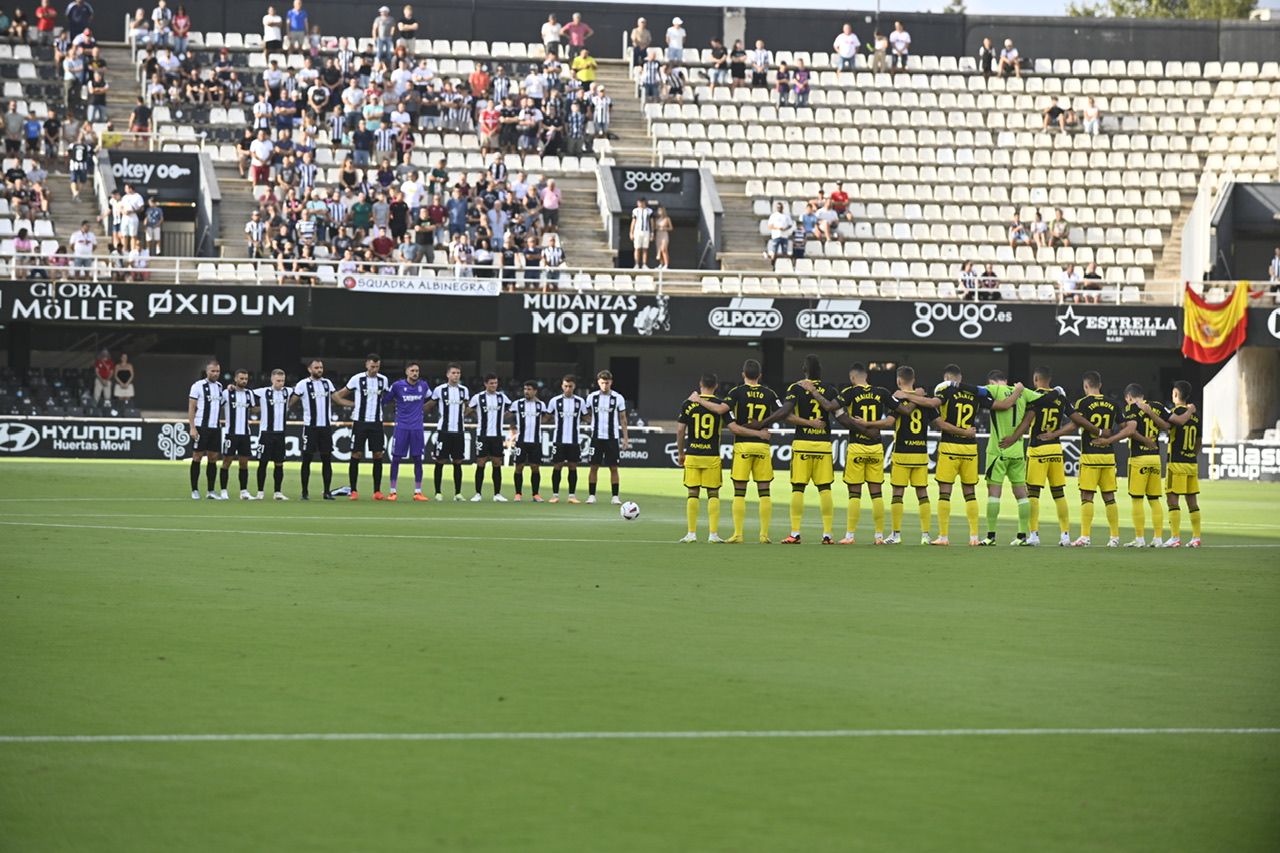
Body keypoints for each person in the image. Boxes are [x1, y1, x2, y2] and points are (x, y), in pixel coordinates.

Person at [894, 366, 997, 547]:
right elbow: (996, 403)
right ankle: (974, 537)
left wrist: (908, 395)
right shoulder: (974, 393)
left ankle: (943, 536)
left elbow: (934, 408)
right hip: (970, 449)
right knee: (970, 493)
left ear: (946, 377)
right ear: (961, 377)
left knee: (944, 493)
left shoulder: (944, 389)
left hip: (950, 446)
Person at [748, 355, 837, 545]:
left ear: (804, 370)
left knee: (798, 488)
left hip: (802, 443)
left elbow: (784, 413)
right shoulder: (829, 389)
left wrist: (762, 423)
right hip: (823, 444)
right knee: (825, 489)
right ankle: (828, 534)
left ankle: (795, 533)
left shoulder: (796, 388)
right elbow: (837, 412)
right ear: (820, 370)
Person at [712, 360, 779, 544]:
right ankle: (764, 535)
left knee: (739, 492)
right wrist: (765, 425)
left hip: (743, 445)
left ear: (743, 374)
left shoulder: (736, 392)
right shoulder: (769, 393)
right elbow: (782, 412)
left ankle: (738, 534)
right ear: (760, 375)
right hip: (762, 446)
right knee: (764, 491)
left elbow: (721, 410)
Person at [825, 364, 893, 544]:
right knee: (876, 494)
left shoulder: (850, 392)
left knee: (854, 494)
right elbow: (898, 411)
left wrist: (841, 414)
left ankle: (850, 536)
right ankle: (879, 536)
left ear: (852, 378)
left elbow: (831, 407)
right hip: (876, 448)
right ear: (867, 376)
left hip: (857, 446)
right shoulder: (882, 392)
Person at [1008, 367, 1075, 547]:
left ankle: (1034, 535)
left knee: (1033, 494)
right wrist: (1055, 434)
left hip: (1037, 449)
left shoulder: (1033, 396)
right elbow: (1075, 422)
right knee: (1059, 493)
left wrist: (1013, 438)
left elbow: (1027, 421)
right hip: (1055, 449)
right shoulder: (1060, 397)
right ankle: (1065, 535)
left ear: (1035, 379)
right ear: (1049, 379)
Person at [975, 370, 1031, 545]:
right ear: (1006, 380)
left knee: (994, 493)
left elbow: (975, 391)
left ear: (991, 382)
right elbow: (1029, 418)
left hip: (997, 450)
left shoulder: (993, 390)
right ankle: (1022, 536)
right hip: (1017, 451)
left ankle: (991, 536)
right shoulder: (1024, 393)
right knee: (1021, 493)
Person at [1109, 383, 1167, 548]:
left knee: (1137, 499)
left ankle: (1140, 539)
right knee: (1155, 499)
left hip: (1138, 458)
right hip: (1155, 458)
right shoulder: (1156, 406)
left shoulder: (1130, 409)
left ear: (1128, 397)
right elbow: (1167, 425)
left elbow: (1130, 430)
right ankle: (1158, 539)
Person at [1068, 371, 1123, 547]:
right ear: (1100, 385)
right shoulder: (1113, 403)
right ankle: (1114, 537)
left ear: (1086, 386)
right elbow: (1124, 427)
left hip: (1090, 455)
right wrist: (1109, 437)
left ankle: (1085, 536)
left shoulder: (1083, 403)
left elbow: (1075, 423)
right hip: (1108, 456)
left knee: (1087, 496)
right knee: (1109, 497)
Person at [676, 374, 727, 543]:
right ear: (716, 386)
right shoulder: (720, 404)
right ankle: (713, 534)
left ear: (700, 384)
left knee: (692, 493)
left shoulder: (688, 403)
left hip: (693, 454)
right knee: (713, 493)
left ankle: (691, 534)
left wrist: (681, 452)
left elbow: (680, 430)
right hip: (711, 455)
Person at [332, 353, 390, 500]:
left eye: (377, 367)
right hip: (360, 422)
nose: (374, 369)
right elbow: (340, 395)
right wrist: (351, 404)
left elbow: (389, 397)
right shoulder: (357, 379)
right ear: (366, 365)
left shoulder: (383, 380)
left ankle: (377, 491)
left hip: (377, 422)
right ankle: (354, 490)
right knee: (356, 454)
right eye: (372, 366)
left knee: (378, 454)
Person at [884, 366, 931, 545]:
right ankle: (926, 535)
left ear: (898, 380)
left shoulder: (896, 398)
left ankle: (896, 535)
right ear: (914, 378)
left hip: (902, 453)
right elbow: (938, 422)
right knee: (922, 493)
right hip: (920, 453)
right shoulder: (925, 399)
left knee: (897, 493)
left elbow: (890, 422)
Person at [1153, 381, 1201, 548]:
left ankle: (1175, 537)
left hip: (1176, 463)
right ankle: (1196, 537)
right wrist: (1192, 455)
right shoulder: (1196, 415)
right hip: (1191, 463)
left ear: (1175, 394)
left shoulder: (1174, 413)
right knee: (1192, 501)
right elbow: (1199, 441)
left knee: (1172, 500)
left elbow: (1167, 426)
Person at [290, 358, 337, 500]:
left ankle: (327, 491)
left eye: (321, 367)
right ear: (309, 369)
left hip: (325, 427)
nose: (319, 370)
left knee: (327, 459)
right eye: (316, 368)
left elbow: (336, 398)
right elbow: (292, 401)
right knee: (307, 459)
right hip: (310, 427)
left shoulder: (327, 383)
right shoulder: (302, 384)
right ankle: (304, 492)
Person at [383, 361, 430, 501]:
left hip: (417, 428)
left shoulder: (424, 386)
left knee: (418, 459)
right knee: (396, 458)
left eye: (417, 370)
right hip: (401, 427)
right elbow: (385, 400)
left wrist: (422, 411)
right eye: (412, 370)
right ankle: (392, 491)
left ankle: (418, 492)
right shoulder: (397, 386)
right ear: (406, 372)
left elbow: (432, 399)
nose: (415, 373)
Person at [583, 370, 629, 505]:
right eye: (602, 383)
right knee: (593, 467)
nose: (605, 385)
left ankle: (615, 496)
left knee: (614, 467)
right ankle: (592, 495)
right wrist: (591, 422)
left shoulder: (618, 398)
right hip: (596, 437)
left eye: (607, 383)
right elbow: (585, 414)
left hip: (612, 437)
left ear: (611, 382)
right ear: (598, 382)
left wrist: (625, 438)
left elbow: (623, 418)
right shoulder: (592, 397)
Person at [426, 362, 469, 501]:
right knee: (440, 461)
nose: (456, 375)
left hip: (459, 431)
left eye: (458, 373)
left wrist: (462, 416)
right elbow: (430, 405)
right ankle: (438, 492)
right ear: (447, 374)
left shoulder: (464, 390)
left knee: (458, 461)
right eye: (453, 373)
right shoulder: (440, 390)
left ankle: (458, 493)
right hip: (443, 431)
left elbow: (468, 407)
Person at [468, 373, 512, 501]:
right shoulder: (478, 397)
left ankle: (497, 494)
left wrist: (502, 418)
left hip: (497, 436)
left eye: (496, 383)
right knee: (481, 462)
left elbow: (512, 409)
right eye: (491, 383)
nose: (494, 385)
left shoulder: (502, 397)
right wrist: (478, 418)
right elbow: (468, 410)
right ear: (485, 384)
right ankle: (478, 494)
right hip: (482, 435)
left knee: (497, 463)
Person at [546, 374, 587, 503]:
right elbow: (547, 417)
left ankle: (572, 496)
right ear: (562, 386)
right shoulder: (555, 401)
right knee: (557, 466)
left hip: (574, 440)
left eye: (570, 386)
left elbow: (586, 417)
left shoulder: (580, 402)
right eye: (565, 386)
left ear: (574, 386)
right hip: (559, 440)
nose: (568, 389)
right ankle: (555, 495)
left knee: (573, 467)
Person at [187, 359, 224, 500]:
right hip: (201, 427)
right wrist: (192, 427)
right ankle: (195, 490)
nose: (215, 374)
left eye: (218, 371)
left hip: (215, 427)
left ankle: (211, 491)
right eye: (213, 371)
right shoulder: (197, 386)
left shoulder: (220, 387)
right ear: (207, 371)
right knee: (197, 456)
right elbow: (191, 407)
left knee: (213, 458)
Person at [219, 369, 257, 501]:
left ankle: (244, 491)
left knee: (244, 463)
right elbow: (217, 405)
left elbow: (254, 407)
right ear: (235, 379)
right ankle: (223, 490)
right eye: (241, 378)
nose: (244, 381)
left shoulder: (249, 394)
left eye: (246, 379)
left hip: (245, 434)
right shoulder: (226, 393)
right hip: (231, 434)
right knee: (227, 462)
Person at [254, 369, 291, 501]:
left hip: (280, 433)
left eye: (282, 381)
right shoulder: (263, 392)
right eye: (278, 381)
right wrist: (232, 387)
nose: (280, 383)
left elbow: (301, 392)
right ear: (272, 379)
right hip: (266, 433)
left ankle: (277, 492)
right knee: (263, 463)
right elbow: (245, 393)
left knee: (279, 464)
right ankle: (260, 492)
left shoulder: (288, 391)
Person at [509, 380, 546, 502]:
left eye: (529, 389)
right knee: (519, 466)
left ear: (535, 391)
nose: (526, 392)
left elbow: (546, 418)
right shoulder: (517, 404)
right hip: (521, 441)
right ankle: (518, 493)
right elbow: (511, 418)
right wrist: (513, 432)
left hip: (535, 441)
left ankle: (535, 494)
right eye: (525, 389)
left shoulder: (541, 405)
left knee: (535, 467)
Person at [630, 196, 654, 268]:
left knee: (645, 248)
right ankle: (636, 264)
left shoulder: (649, 211)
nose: (639, 204)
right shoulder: (635, 211)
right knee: (637, 248)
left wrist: (652, 233)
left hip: (646, 231)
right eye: (638, 202)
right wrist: (631, 232)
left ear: (644, 202)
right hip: (637, 231)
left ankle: (644, 264)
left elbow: (652, 222)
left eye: (640, 202)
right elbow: (633, 222)